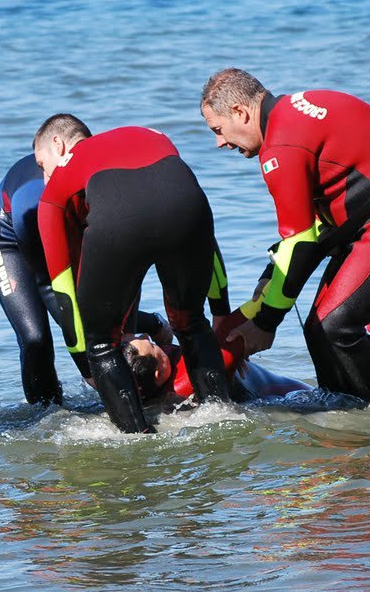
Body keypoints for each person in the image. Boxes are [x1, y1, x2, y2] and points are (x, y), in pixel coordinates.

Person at [198, 68, 370, 410]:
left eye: (218, 130)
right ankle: (342, 414)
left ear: (240, 113)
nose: (220, 143)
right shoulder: (288, 117)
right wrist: (257, 300)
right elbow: (309, 235)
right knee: (318, 328)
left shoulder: (280, 147)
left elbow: (301, 242)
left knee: (337, 326)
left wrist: (266, 324)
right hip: (367, 218)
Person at [33, 114, 233, 433]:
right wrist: (222, 310)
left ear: (57, 145)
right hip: (187, 207)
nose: (44, 178)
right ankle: (223, 419)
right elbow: (208, 242)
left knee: (102, 343)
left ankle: (137, 442)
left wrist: (87, 360)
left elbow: (64, 292)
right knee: (192, 322)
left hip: (118, 223)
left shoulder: (54, 192)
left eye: (42, 166)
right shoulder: (146, 132)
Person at [0, 149, 171, 406]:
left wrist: (132, 329)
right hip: (9, 239)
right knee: (36, 339)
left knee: (111, 320)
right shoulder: (33, 203)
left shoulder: (114, 195)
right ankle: (46, 414)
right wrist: (89, 370)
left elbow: (127, 276)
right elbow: (51, 287)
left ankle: (151, 329)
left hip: (67, 230)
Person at [122, 331, 308, 404]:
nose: (147, 336)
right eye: (153, 346)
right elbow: (234, 334)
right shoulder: (191, 377)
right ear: (158, 373)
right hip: (293, 396)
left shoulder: (136, 391)